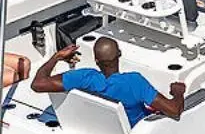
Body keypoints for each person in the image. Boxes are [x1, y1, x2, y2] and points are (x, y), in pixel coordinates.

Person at [30, 37, 185, 125]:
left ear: (96, 60)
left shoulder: (83, 77)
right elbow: (174, 110)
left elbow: (38, 84)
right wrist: (178, 93)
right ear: (119, 54)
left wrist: (57, 57)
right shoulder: (135, 82)